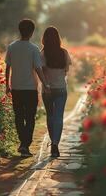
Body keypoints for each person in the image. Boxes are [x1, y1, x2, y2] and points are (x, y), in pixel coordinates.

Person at [5, 19, 51, 157]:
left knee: (18, 116)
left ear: (20, 30)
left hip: (16, 88)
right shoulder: (33, 49)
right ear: (31, 32)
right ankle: (25, 144)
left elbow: (8, 67)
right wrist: (45, 84)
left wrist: (7, 85)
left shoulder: (12, 47)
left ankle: (23, 143)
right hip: (30, 88)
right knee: (30, 117)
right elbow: (38, 68)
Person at [41, 26, 72, 158]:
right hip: (61, 89)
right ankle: (55, 144)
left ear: (44, 39)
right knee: (59, 117)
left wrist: (46, 84)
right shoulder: (64, 53)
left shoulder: (42, 54)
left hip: (47, 90)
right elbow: (66, 70)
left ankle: (52, 141)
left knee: (50, 116)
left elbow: (40, 71)